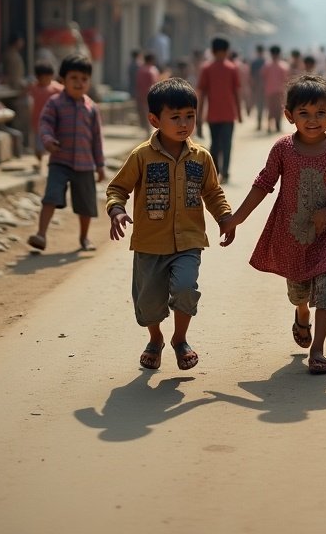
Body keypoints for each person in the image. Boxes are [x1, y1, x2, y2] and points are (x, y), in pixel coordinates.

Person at [221, 74, 326, 375]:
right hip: (293, 234)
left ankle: (318, 350)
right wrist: (236, 219)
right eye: (304, 114)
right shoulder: (283, 149)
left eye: (321, 113)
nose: (312, 120)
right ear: (289, 115)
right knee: (299, 292)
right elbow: (264, 184)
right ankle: (301, 313)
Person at [106, 77, 233, 372]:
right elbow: (118, 188)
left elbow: (213, 192)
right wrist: (116, 210)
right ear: (154, 119)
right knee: (148, 303)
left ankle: (180, 339)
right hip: (150, 244)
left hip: (189, 241)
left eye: (189, 116)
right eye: (175, 117)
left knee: (186, 288)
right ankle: (155, 339)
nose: (184, 123)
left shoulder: (201, 157)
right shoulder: (141, 156)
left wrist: (224, 217)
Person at [28, 54, 106, 252]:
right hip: (59, 160)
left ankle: (84, 237)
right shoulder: (54, 103)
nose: (79, 83)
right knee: (51, 196)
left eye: (84, 79)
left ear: (89, 81)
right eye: (74, 78)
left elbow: (97, 139)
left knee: (86, 203)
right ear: (62, 80)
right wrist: (47, 140)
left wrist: (100, 165)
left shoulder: (92, 108)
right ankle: (41, 234)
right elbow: (45, 124)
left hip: (85, 163)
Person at [196, 35, 242, 182]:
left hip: (213, 115)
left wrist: (200, 115)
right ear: (226, 50)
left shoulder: (207, 68)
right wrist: (239, 113)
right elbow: (236, 93)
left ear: (213, 50)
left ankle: (215, 172)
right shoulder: (232, 68)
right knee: (225, 144)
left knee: (215, 144)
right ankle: (225, 173)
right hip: (227, 114)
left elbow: (202, 93)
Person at [28, 62, 63, 166]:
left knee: (54, 143)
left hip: (54, 122)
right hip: (38, 122)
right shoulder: (34, 88)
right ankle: (39, 160)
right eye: (43, 77)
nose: (45, 79)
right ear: (38, 77)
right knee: (39, 145)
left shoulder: (57, 89)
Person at [261, 45, 290, 133]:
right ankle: (278, 126)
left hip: (269, 90)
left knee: (270, 109)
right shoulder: (283, 66)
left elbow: (263, 77)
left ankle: (269, 127)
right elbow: (286, 79)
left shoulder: (267, 65)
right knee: (278, 109)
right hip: (279, 91)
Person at [135, 54, 161, 132]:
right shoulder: (153, 70)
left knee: (144, 111)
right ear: (151, 60)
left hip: (141, 94)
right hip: (152, 94)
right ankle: (151, 129)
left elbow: (138, 83)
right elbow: (156, 83)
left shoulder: (140, 70)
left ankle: (147, 129)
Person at [249, 45, 267, 131]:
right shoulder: (266, 62)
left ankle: (259, 124)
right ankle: (268, 124)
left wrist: (253, 87)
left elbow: (251, 76)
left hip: (257, 86)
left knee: (259, 106)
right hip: (266, 87)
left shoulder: (254, 62)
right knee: (266, 106)